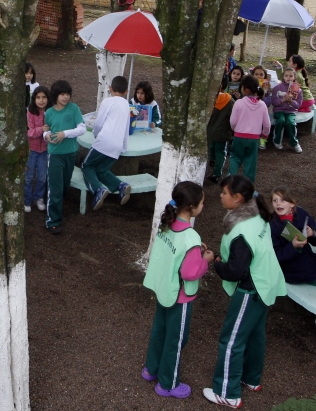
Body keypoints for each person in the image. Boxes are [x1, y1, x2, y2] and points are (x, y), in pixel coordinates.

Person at [203, 175, 285, 407]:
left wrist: (216, 263)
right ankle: (251, 378)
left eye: (224, 193)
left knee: (231, 340)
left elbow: (236, 271)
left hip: (251, 289)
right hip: (267, 283)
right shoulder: (258, 213)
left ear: (238, 198)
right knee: (255, 334)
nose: (220, 196)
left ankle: (227, 392)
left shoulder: (240, 232)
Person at [141, 181, 211, 399]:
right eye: (202, 202)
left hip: (163, 289)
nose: (203, 206)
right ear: (191, 207)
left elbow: (172, 254)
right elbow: (190, 273)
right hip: (180, 297)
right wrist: (205, 259)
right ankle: (167, 384)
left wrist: (195, 252)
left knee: (159, 331)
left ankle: (150, 370)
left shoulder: (166, 223)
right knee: (176, 339)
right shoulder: (191, 237)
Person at [81, 76, 132, 212]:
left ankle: (98, 190)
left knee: (87, 166)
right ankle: (120, 185)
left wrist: (96, 134)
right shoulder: (127, 105)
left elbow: (99, 123)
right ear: (126, 92)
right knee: (101, 170)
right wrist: (124, 147)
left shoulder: (107, 101)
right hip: (116, 146)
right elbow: (126, 127)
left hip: (103, 142)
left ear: (110, 88)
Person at [43, 79, 86, 235]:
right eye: (62, 94)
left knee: (64, 186)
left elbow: (82, 128)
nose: (65, 97)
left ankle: (54, 205)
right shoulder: (49, 113)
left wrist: (65, 134)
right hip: (55, 154)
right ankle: (52, 221)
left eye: (67, 94)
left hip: (71, 153)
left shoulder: (74, 109)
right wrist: (46, 135)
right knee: (55, 188)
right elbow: (46, 129)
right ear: (55, 95)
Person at [269, 187, 316, 285]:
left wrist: (313, 232)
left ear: (292, 203)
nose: (278, 203)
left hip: (308, 258)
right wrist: (293, 246)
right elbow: (275, 256)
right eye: (275, 201)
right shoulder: (272, 225)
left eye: (283, 200)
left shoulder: (301, 213)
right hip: (290, 270)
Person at [228, 75, 271, 182]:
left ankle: (230, 181)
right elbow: (267, 125)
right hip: (254, 139)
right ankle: (247, 187)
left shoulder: (239, 103)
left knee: (235, 158)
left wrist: (234, 129)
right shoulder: (262, 105)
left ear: (246, 89)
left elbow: (232, 121)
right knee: (250, 162)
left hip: (239, 137)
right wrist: (264, 135)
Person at [25, 85, 51, 214]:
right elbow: (29, 132)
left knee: (42, 177)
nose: (41, 100)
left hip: (45, 150)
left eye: (44, 97)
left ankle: (39, 198)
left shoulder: (51, 112)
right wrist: (41, 129)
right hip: (31, 149)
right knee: (29, 176)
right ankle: (26, 200)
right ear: (34, 99)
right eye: (38, 97)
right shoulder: (30, 112)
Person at [269, 66, 303, 153]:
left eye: (291, 76)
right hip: (279, 110)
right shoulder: (277, 88)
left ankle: (294, 143)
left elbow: (298, 105)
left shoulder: (297, 89)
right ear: (283, 77)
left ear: (294, 77)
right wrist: (282, 100)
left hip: (291, 111)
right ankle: (276, 140)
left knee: (290, 122)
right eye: (286, 76)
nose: (288, 78)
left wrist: (291, 101)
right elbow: (274, 102)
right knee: (280, 121)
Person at [207, 79, 234, 183]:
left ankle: (212, 160)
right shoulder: (230, 101)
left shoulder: (210, 99)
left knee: (212, 146)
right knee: (221, 152)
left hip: (211, 130)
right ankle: (217, 173)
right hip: (223, 132)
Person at [250, 66, 271, 150]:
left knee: (265, 123)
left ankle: (263, 139)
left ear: (265, 76)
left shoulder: (267, 87)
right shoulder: (249, 86)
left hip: (262, 109)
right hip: (251, 109)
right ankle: (252, 139)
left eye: (261, 74)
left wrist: (262, 97)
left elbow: (269, 101)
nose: (259, 76)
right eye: (256, 74)